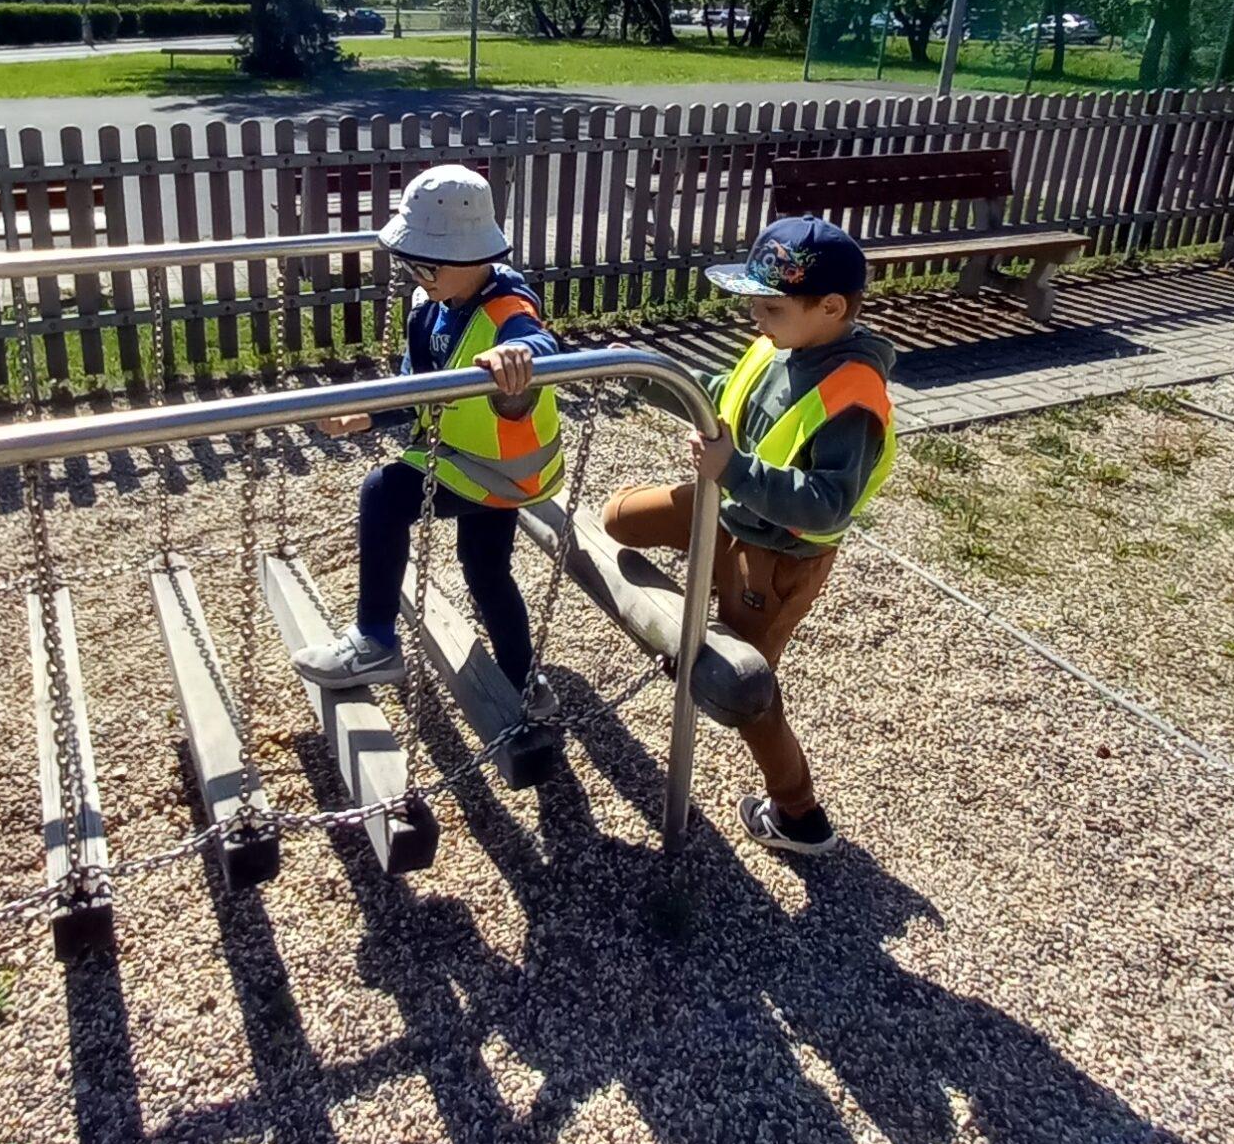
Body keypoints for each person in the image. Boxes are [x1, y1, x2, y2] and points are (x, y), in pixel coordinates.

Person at [603, 214, 896, 858]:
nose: (754, 320)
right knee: (618, 520)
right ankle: (693, 620)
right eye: (754, 305)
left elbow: (825, 506)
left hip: (776, 556)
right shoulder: (782, 343)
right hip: (729, 510)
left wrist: (733, 468)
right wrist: (644, 376)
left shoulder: (852, 396)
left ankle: (799, 814)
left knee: (746, 688)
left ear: (831, 306)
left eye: (768, 306)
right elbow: (721, 395)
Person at [295, 163, 564, 713]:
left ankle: (375, 639)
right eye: (409, 262)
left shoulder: (509, 308)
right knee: (486, 569)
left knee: (383, 494)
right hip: (475, 464)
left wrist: (520, 357)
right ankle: (525, 677)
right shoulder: (434, 308)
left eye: (425, 262)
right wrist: (364, 417)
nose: (415, 274)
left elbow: (543, 345)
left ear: (473, 257)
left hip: (498, 469)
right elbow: (414, 389)